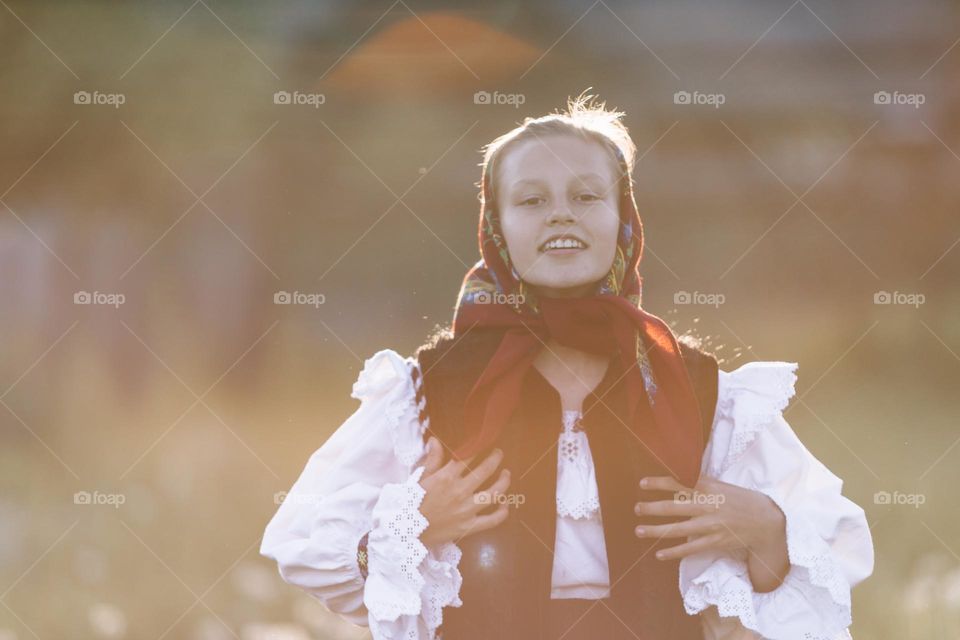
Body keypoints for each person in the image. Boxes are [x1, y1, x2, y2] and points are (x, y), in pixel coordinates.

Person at [260, 93, 874, 639]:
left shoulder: (701, 393)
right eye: (531, 200)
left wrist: (767, 529)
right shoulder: (428, 392)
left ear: (624, 220)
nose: (561, 213)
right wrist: (413, 523)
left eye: (586, 196)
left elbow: (831, 552)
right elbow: (308, 546)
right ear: (494, 229)